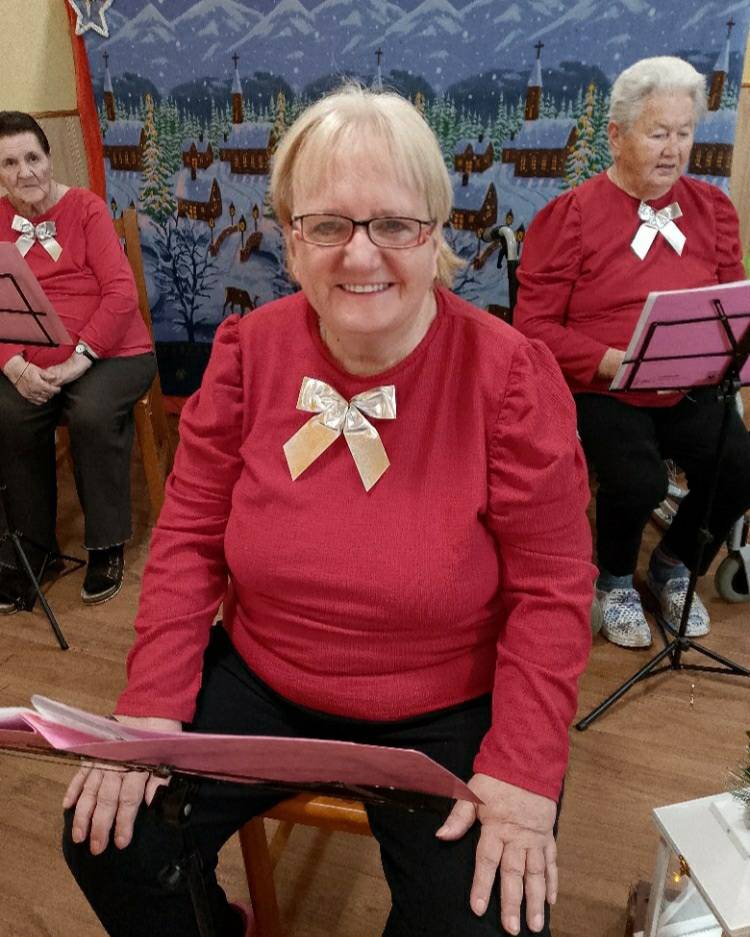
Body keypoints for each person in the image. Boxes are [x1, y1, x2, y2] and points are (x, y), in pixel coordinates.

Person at [61, 85, 594, 937]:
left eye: (394, 224)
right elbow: (189, 539)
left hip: (447, 702)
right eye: (328, 225)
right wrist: (149, 705)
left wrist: (525, 770)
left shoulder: (509, 375)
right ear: (290, 238)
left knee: (482, 919)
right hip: (265, 676)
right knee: (108, 839)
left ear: (435, 233)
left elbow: (554, 587)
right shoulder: (249, 349)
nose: (359, 253)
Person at [514, 56, 750, 649]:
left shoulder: (713, 210)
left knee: (740, 465)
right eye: (657, 133)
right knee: (638, 478)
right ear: (617, 136)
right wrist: (612, 360)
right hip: (604, 385)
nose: (674, 149)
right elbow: (533, 326)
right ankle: (615, 578)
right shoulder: (570, 216)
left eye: (684, 132)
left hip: (690, 382)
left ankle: (675, 562)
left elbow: (733, 303)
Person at [0, 112, 156, 609]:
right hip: (29, 359)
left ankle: (106, 546)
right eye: (9, 163)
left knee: (90, 413)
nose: (24, 172)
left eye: (32, 157)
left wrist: (79, 360)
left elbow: (121, 294)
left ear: (49, 158)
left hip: (110, 351)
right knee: (9, 413)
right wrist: (14, 365)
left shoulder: (86, 209)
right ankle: (33, 549)